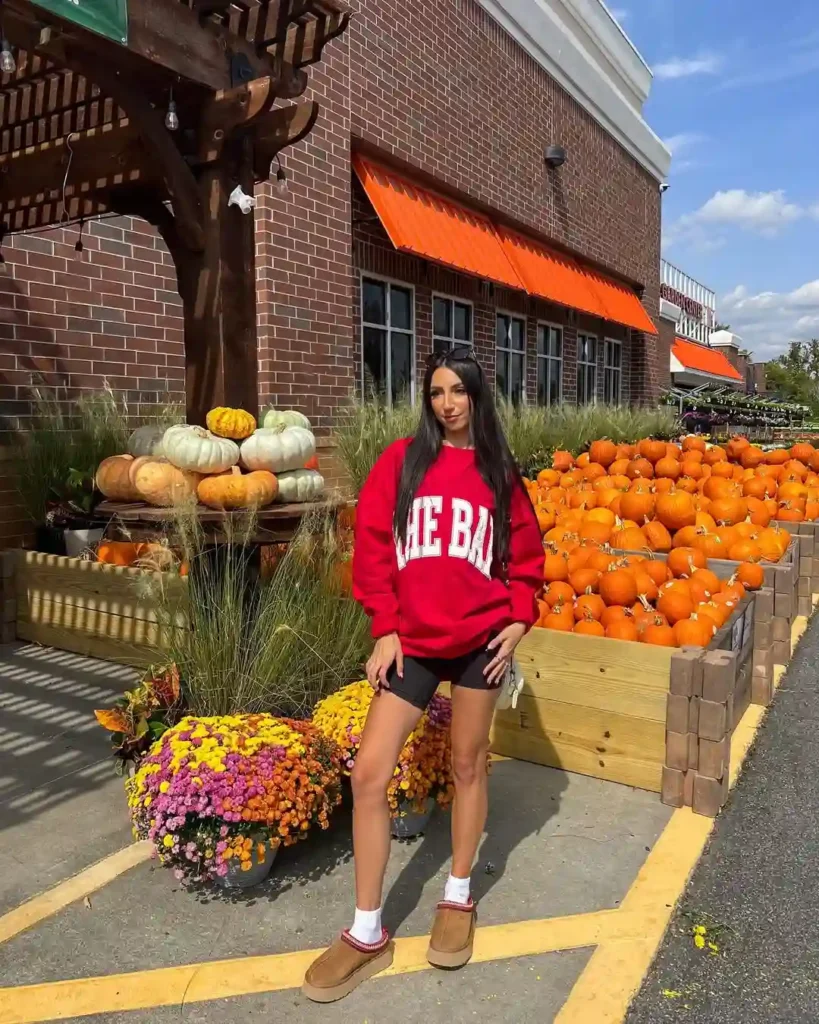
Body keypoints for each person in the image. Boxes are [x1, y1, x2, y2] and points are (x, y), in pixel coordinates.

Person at [303, 346, 543, 1003]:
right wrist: (384, 626)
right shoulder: (401, 462)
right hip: (413, 644)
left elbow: (526, 558)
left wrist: (518, 620)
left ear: (475, 398)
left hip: (478, 645)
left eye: (458, 391)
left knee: (467, 764)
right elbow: (374, 545)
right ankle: (365, 932)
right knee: (369, 772)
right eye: (436, 391)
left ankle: (458, 893)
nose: (447, 402)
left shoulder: (498, 471)